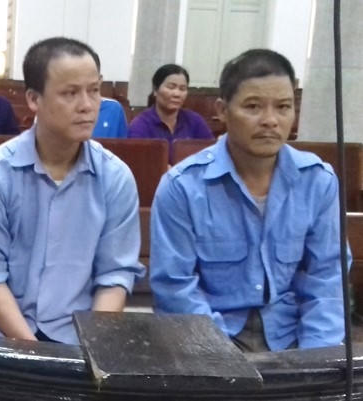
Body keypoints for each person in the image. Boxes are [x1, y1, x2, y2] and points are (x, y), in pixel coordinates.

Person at [150, 49, 351, 352]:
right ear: (222, 110)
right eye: (253, 106)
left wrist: (314, 359)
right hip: (209, 341)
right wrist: (224, 359)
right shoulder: (182, 187)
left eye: (283, 107)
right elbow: (175, 289)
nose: (270, 121)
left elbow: (327, 280)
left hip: (292, 337)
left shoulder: (317, 181)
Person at [0, 37, 144, 346]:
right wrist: (37, 357)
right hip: (3, 331)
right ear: (34, 99)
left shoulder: (115, 177)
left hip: (82, 334)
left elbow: (114, 275)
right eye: (70, 93)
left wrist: (91, 347)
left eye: (94, 90)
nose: (87, 105)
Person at [128, 64, 213, 156]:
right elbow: (138, 159)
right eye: (171, 87)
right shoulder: (140, 125)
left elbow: (211, 153)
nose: (177, 94)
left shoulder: (195, 121)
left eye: (182, 89)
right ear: (155, 90)